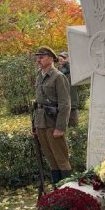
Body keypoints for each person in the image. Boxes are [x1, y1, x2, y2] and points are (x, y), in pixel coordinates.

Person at [33, 46, 72, 185]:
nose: (38, 60)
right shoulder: (39, 75)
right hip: (41, 123)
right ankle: (57, 191)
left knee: (61, 159)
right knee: (51, 159)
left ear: (51, 58)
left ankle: (67, 190)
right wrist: (35, 125)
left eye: (41, 57)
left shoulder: (58, 77)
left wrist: (60, 127)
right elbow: (38, 103)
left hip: (54, 123)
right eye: (37, 57)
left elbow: (65, 104)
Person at [57, 51, 79, 127]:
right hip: (61, 102)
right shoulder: (58, 71)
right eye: (60, 58)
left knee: (73, 124)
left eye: (64, 58)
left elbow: (71, 68)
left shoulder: (72, 69)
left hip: (72, 100)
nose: (61, 60)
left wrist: (67, 62)